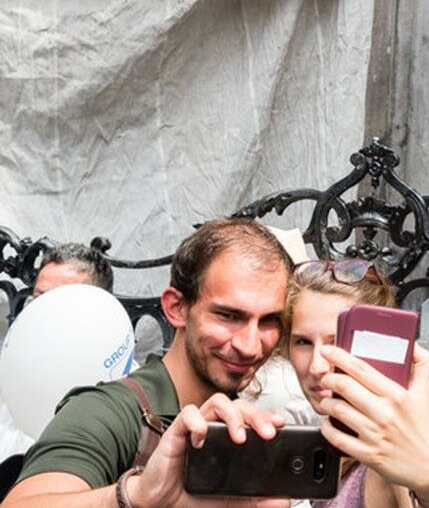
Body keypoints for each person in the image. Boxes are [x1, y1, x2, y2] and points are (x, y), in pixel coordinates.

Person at [2, 217, 295, 508]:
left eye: (270, 320)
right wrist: (135, 494)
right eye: (229, 316)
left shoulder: (246, 424)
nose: (250, 345)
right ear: (176, 308)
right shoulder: (109, 411)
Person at [283, 259, 429, 508]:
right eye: (302, 342)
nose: (316, 367)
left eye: (335, 341)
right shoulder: (338, 437)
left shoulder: (390, 447)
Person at [0, 243, 115, 464]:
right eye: (37, 299)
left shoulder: (119, 387)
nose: (40, 313)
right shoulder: (14, 370)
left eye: (58, 302)